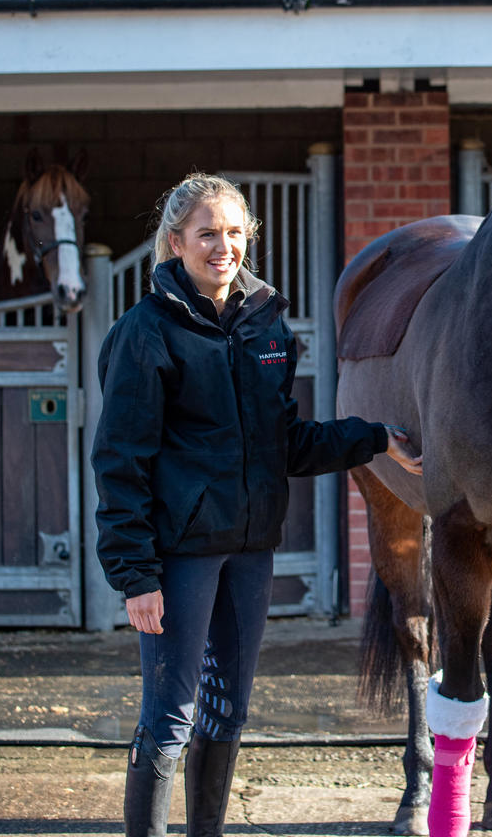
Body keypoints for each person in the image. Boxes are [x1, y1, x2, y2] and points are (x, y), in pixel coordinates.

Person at [91, 173, 422, 837]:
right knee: (170, 717)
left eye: (235, 233)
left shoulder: (267, 323)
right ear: (177, 241)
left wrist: (376, 437)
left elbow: (285, 443)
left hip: (249, 552)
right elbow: (121, 461)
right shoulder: (146, 332)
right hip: (179, 557)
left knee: (228, 712)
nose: (223, 247)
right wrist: (136, 576)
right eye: (207, 234)